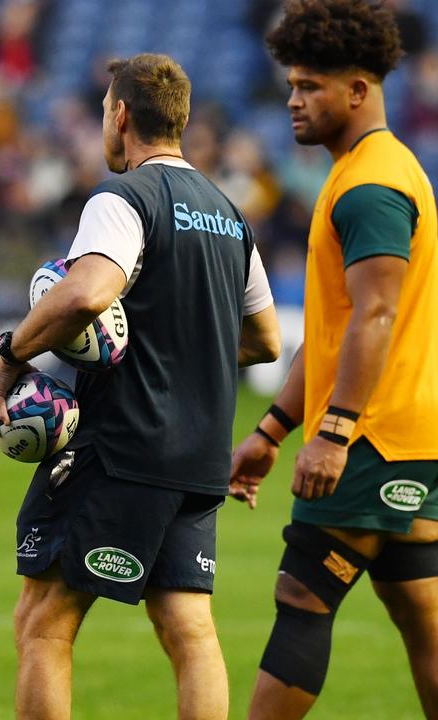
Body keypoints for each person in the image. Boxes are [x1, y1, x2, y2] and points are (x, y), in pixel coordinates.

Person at [0, 53, 281, 720]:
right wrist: (181, 348)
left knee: (43, 620)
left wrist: (11, 353)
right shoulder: (229, 215)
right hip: (200, 455)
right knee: (188, 628)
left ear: (120, 116)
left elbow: (86, 292)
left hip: (121, 447)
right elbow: (264, 341)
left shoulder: (124, 198)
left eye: (101, 116)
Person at [232, 2, 438, 717]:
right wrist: (271, 431)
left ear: (358, 90)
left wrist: (335, 430)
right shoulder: (366, 171)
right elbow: (337, 331)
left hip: (373, 439)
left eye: (310, 86)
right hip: (407, 435)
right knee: (424, 619)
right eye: (291, 85)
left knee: (302, 592)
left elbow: (376, 316)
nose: (293, 101)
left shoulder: (372, 186)